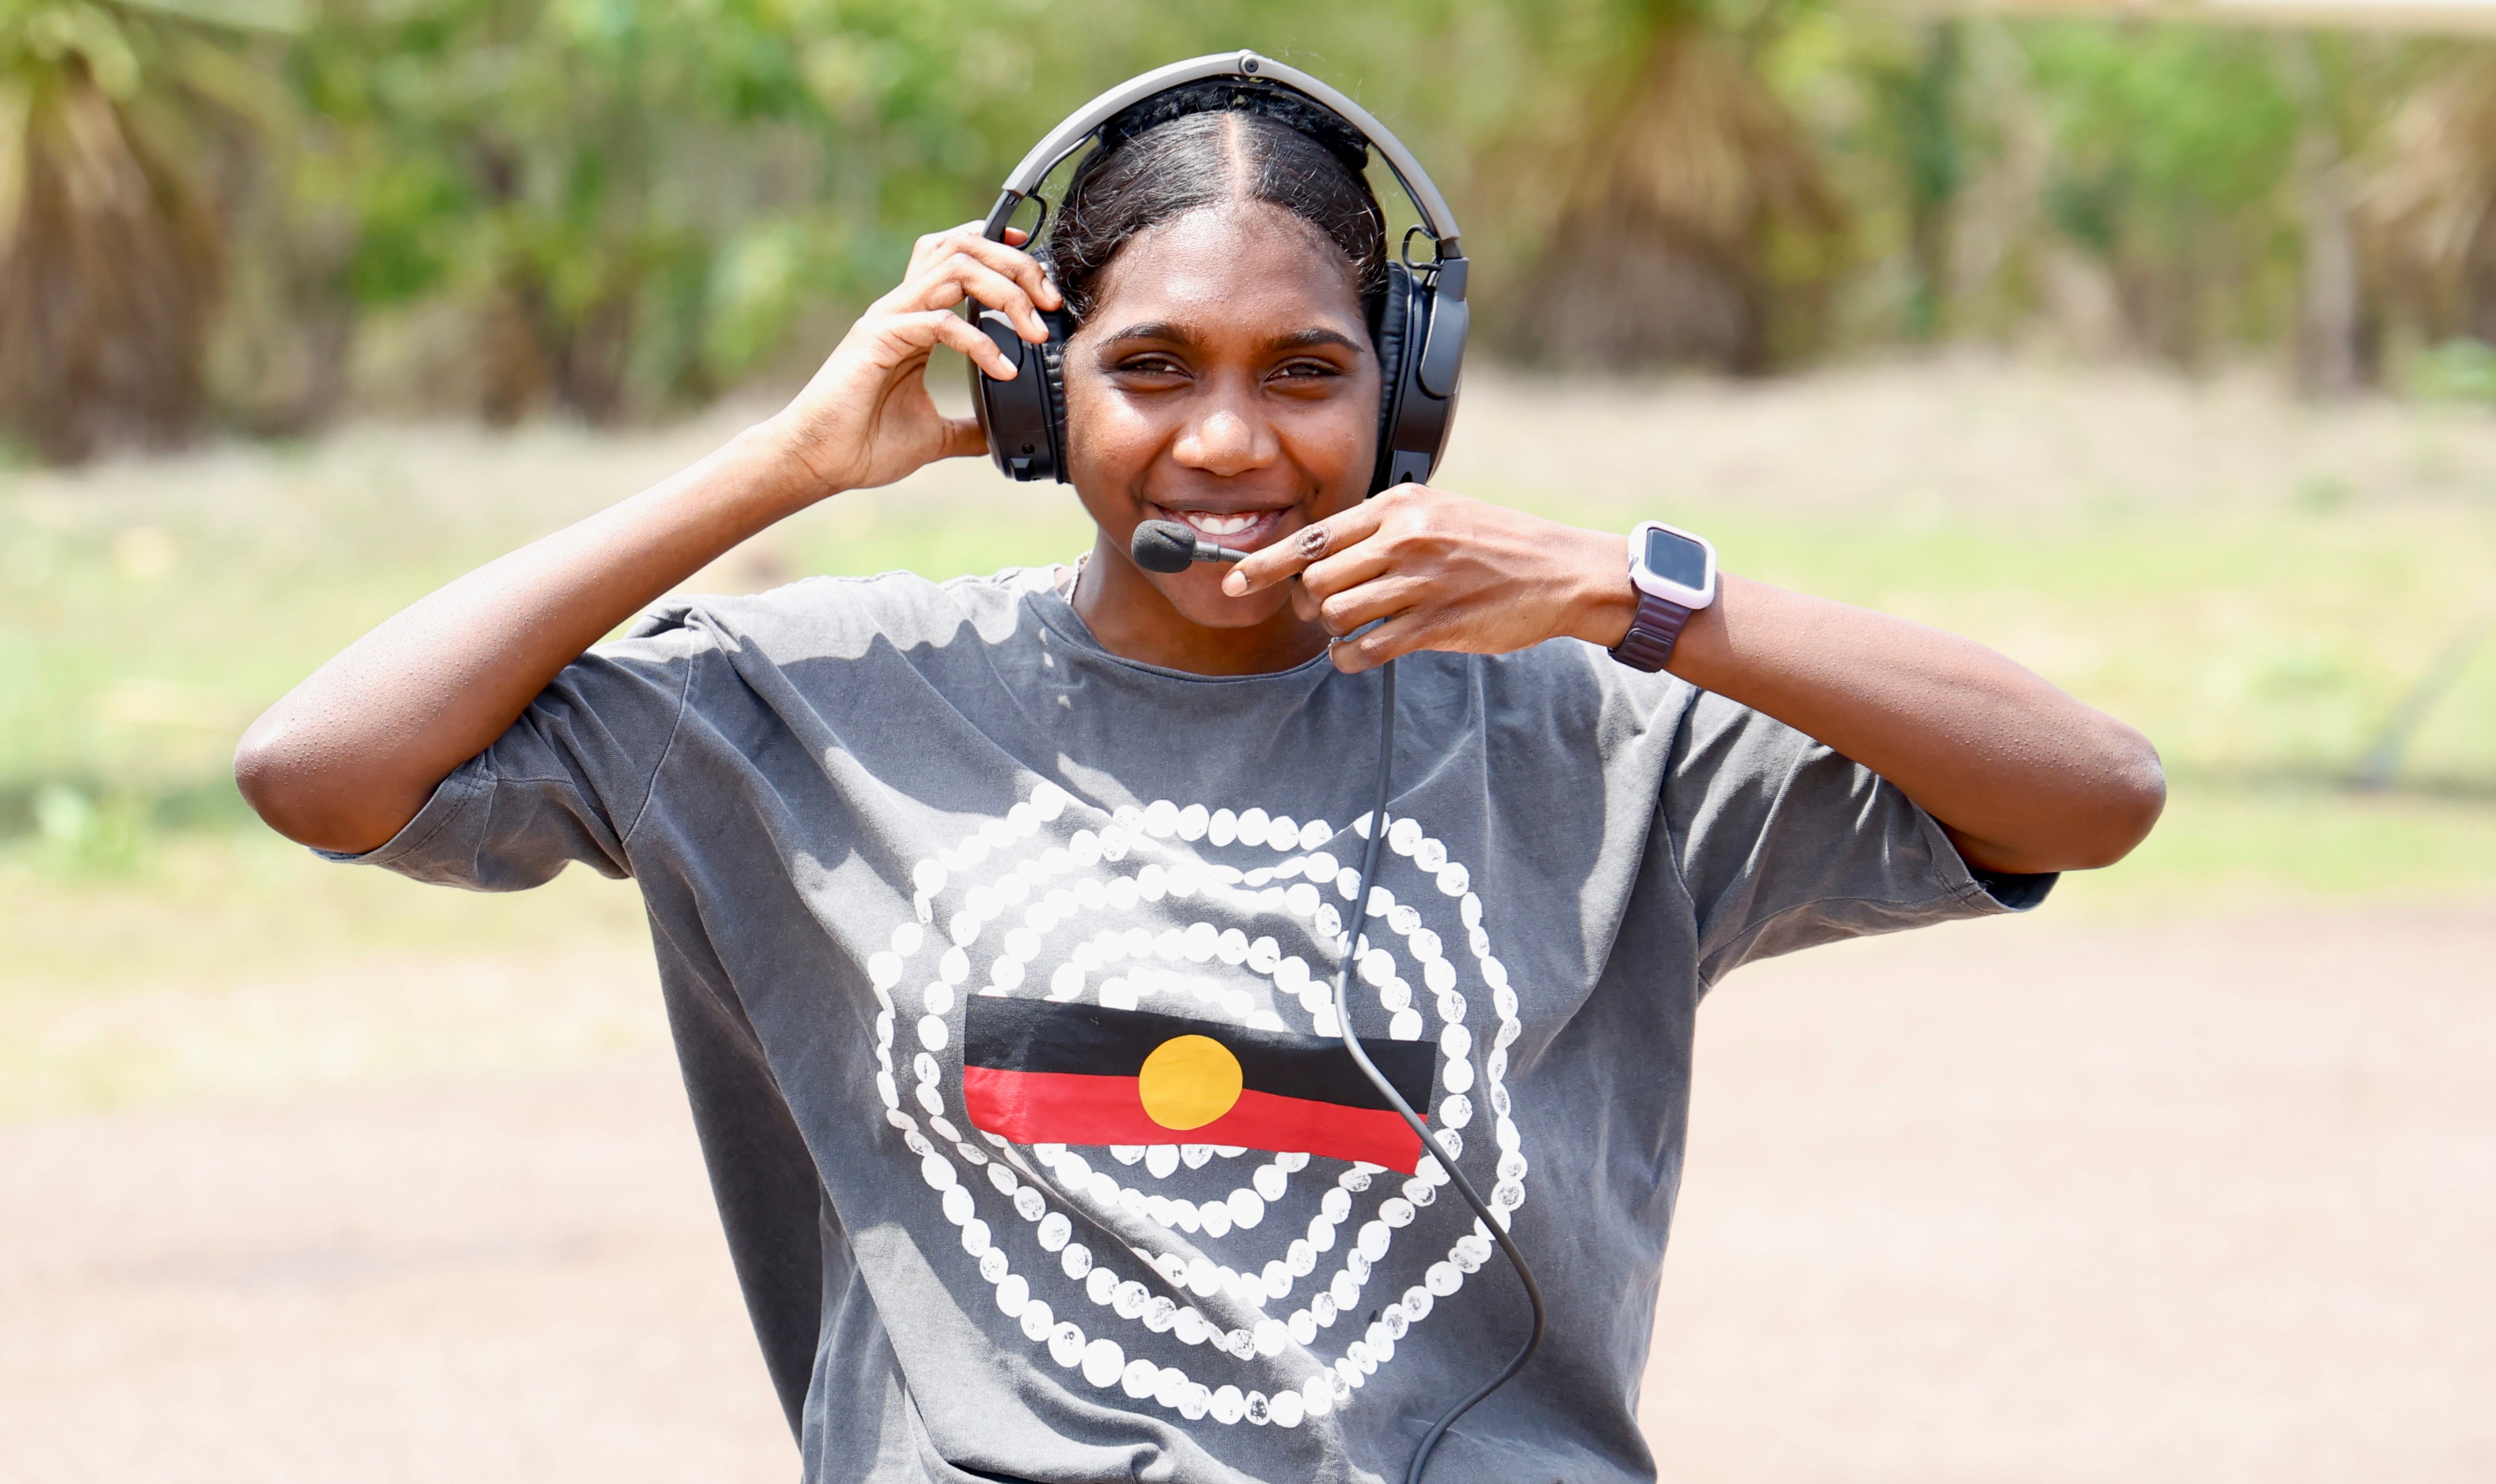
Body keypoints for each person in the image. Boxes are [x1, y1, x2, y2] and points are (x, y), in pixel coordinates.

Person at [235, 77, 2164, 1484]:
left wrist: (1631, 594)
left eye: (1305, 372)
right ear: (1029, 390)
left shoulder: (1586, 728)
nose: (1228, 438)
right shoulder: (809, 710)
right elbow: (322, 769)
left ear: (1408, 397)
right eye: (1150, 366)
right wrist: (789, 464)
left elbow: (2090, 794)